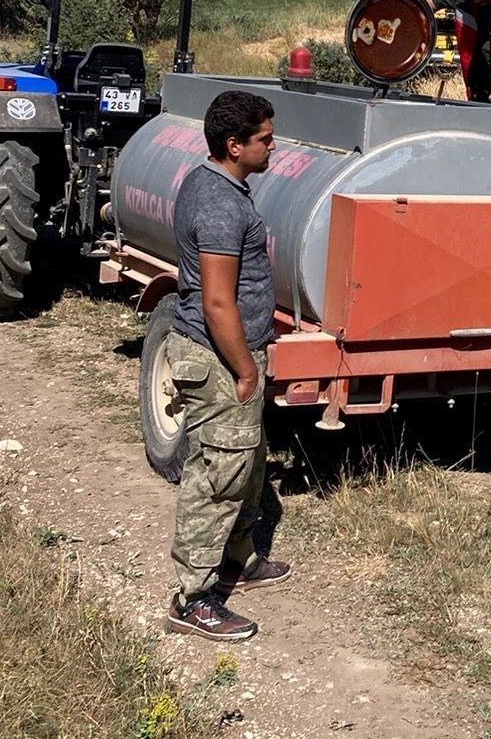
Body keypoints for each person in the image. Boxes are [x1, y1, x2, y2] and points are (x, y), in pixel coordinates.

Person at [164, 89, 291, 641]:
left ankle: (238, 558)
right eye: (265, 139)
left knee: (246, 464)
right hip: (219, 360)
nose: (273, 146)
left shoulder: (214, 184)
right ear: (234, 145)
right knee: (218, 476)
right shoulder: (219, 203)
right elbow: (218, 302)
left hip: (229, 355)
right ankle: (192, 598)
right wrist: (245, 370)